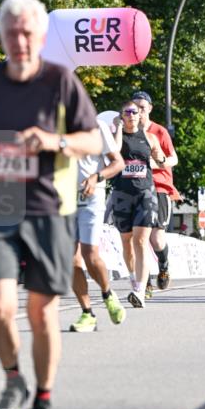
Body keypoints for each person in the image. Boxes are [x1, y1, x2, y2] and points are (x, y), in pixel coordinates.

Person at [0, 0, 102, 409]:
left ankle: (43, 399)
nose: (19, 41)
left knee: (41, 312)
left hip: (46, 207)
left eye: (27, 33)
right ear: (1, 36)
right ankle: (13, 381)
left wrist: (55, 141)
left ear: (40, 36)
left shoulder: (60, 81)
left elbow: (94, 142)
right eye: (11, 33)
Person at [70, 113, 125, 332]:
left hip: (90, 198)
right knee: (70, 260)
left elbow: (117, 163)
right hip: (62, 200)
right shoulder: (48, 126)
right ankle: (87, 313)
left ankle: (107, 293)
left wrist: (96, 177)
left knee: (89, 255)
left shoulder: (95, 126)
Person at [110, 101, 165, 307]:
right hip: (122, 194)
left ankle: (140, 290)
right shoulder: (116, 137)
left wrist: (159, 157)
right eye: (128, 112)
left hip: (145, 193)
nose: (133, 115)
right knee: (127, 241)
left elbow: (161, 159)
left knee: (141, 241)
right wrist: (117, 129)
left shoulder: (149, 138)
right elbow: (115, 150)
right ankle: (133, 278)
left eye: (136, 111)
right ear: (122, 116)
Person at [131, 91, 180, 297]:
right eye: (135, 108)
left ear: (149, 109)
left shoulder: (159, 131)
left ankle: (164, 265)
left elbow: (173, 159)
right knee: (138, 237)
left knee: (156, 238)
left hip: (159, 187)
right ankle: (146, 280)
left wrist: (153, 164)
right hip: (135, 188)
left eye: (143, 108)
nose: (139, 112)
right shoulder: (127, 132)